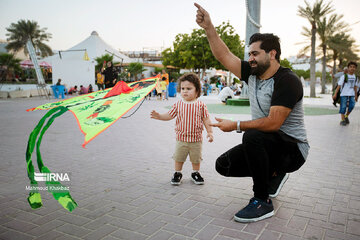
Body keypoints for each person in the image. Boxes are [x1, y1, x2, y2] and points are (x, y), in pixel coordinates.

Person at [195, 3, 309, 223]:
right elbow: (224, 56)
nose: (250, 58)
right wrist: (208, 27)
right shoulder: (253, 73)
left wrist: (236, 125)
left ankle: (262, 201)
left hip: (293, 150)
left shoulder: (287, 81)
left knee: (252, 135)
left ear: (272, 53)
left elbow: (274, 123)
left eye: (255, 53)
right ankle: (274, 173)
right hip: (271, 144)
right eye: (249, 54)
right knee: (224, 165)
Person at [150, 73, 214, 185]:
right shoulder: (178, 104)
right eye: (183, 88)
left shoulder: (200, 105)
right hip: (181, 138)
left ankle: (195, 173)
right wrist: (159, 116)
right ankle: (177, 173)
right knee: (179, 157)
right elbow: (169, 115)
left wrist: (210, 132)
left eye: (189, 88)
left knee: (196, 158)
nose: (185, 91)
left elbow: (206, 119)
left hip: (196, 139)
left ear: (197, 91)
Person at [332, 61, 358, 126]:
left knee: (352, 106)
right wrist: (335, 94)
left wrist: (356, 95)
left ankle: (346, 116)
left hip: (351, 94)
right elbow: (339, 85)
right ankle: (342, 120)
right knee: (343, 107)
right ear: (348, 68)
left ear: (355, 68)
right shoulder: (344, 76)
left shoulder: (355, 77)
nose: (352, 68)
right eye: (351, 67)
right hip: (344, 94)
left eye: (354, 67)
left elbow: (355, 86)